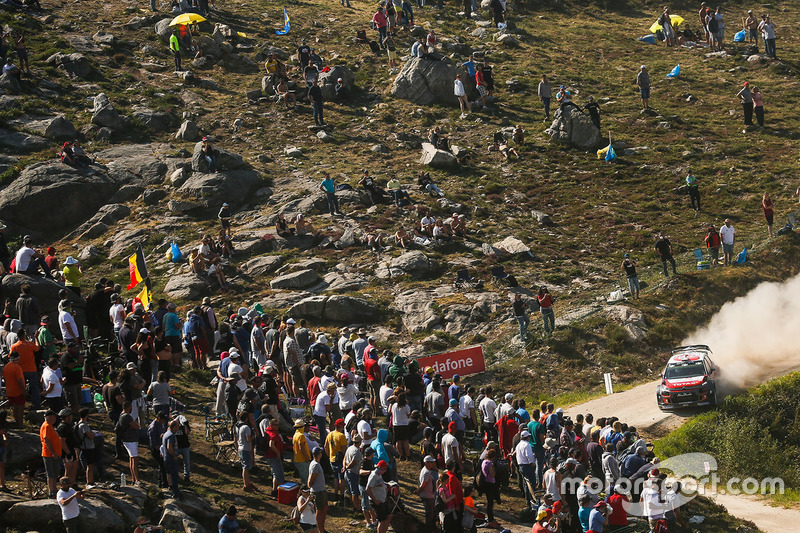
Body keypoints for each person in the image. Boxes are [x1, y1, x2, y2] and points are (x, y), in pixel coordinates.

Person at [117, 401, 141, 486]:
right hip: (130, 440)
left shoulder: (121, 415)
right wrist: (134, 425)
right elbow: (136, 426)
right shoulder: (127, 416)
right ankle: (137, 480)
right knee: (135, 460)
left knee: (131, 459)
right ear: (129, 407)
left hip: (126, 440)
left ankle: (133, 479)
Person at [41, 410, 63, 497]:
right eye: (54, 417)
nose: (55, 419)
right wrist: (53, 452)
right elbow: (46, 440)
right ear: (49, 417)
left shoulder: (50, 426)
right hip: (49, 454)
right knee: (51, 472)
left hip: (54, 453)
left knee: (55, 472)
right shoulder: (46, 426)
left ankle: (54, 488)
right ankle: (52, 490)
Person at [367, 460, 392, 533]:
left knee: (388, 516)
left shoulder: (379, 475)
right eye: (384, 469)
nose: (385, 471)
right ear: (380, 468)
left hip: (382, 500)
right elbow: (368, 489)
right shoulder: (373, 476)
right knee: (382, 520)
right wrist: (375, 500)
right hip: (377, 501)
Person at [161, 418, 183, 499]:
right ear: (174, 427)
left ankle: (170, 488)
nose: (178, 428)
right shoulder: (171, 435)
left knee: (169, 474)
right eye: (177, 426)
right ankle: (176, 493)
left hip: (166, 458)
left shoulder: (166, 433)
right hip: (171, 458)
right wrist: (174, 455)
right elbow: (169, 447)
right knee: (174, 476)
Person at [308, 447, 328, 532]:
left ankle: (322, 528)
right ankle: (320, 529)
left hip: (321, 490)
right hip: (318, 492)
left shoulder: (315, 463)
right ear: (319, 454)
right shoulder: (315, 465)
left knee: (324, 508)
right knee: (320, 510)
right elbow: (311, 479)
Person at [4, 352, 24, 427]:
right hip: (18, 391)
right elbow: (20, 381)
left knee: (14, 409)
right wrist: (23, 391)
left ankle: (17, 423)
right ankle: (20, 425)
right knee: (20, 409)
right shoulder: (17, 367)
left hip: (9, 391)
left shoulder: (6, 366)